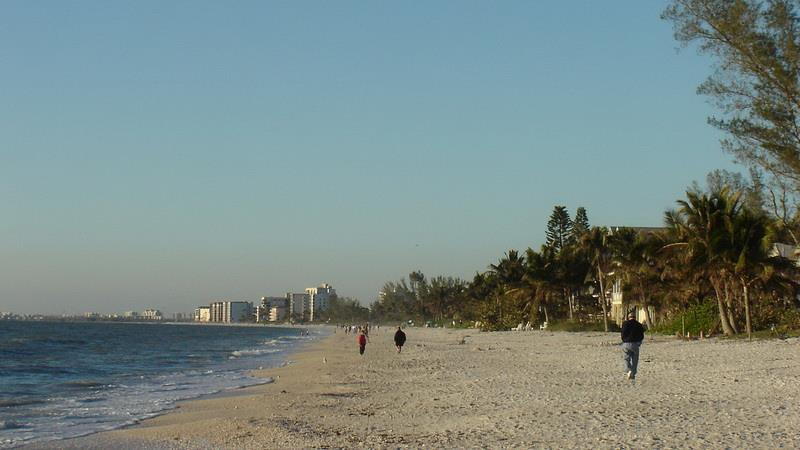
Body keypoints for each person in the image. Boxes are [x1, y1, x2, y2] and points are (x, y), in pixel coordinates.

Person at [620, 312, 645, 380]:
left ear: (629, 317)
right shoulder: (639, 325)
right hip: (635, 344)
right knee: (635, 360)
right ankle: (633, 373)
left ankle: (629, 370)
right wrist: (639, 342)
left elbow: (622, 333)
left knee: (626, 358)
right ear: (635, 317)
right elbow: (642, 336)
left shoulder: (625, 323)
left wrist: (624, 340)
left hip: (626, 343)